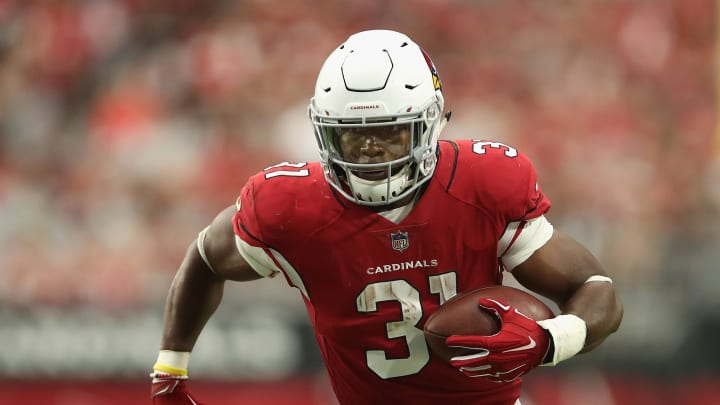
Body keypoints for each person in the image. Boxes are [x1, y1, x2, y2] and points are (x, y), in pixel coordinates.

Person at [149, 29, 623, 405]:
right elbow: (207, 258)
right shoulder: (289, 207)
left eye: (389, 133)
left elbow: (596, 289)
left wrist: (550, 340)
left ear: (430, 122)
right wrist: (170, 369)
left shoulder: (484, 184)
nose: (370, 151)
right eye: (352, 137)